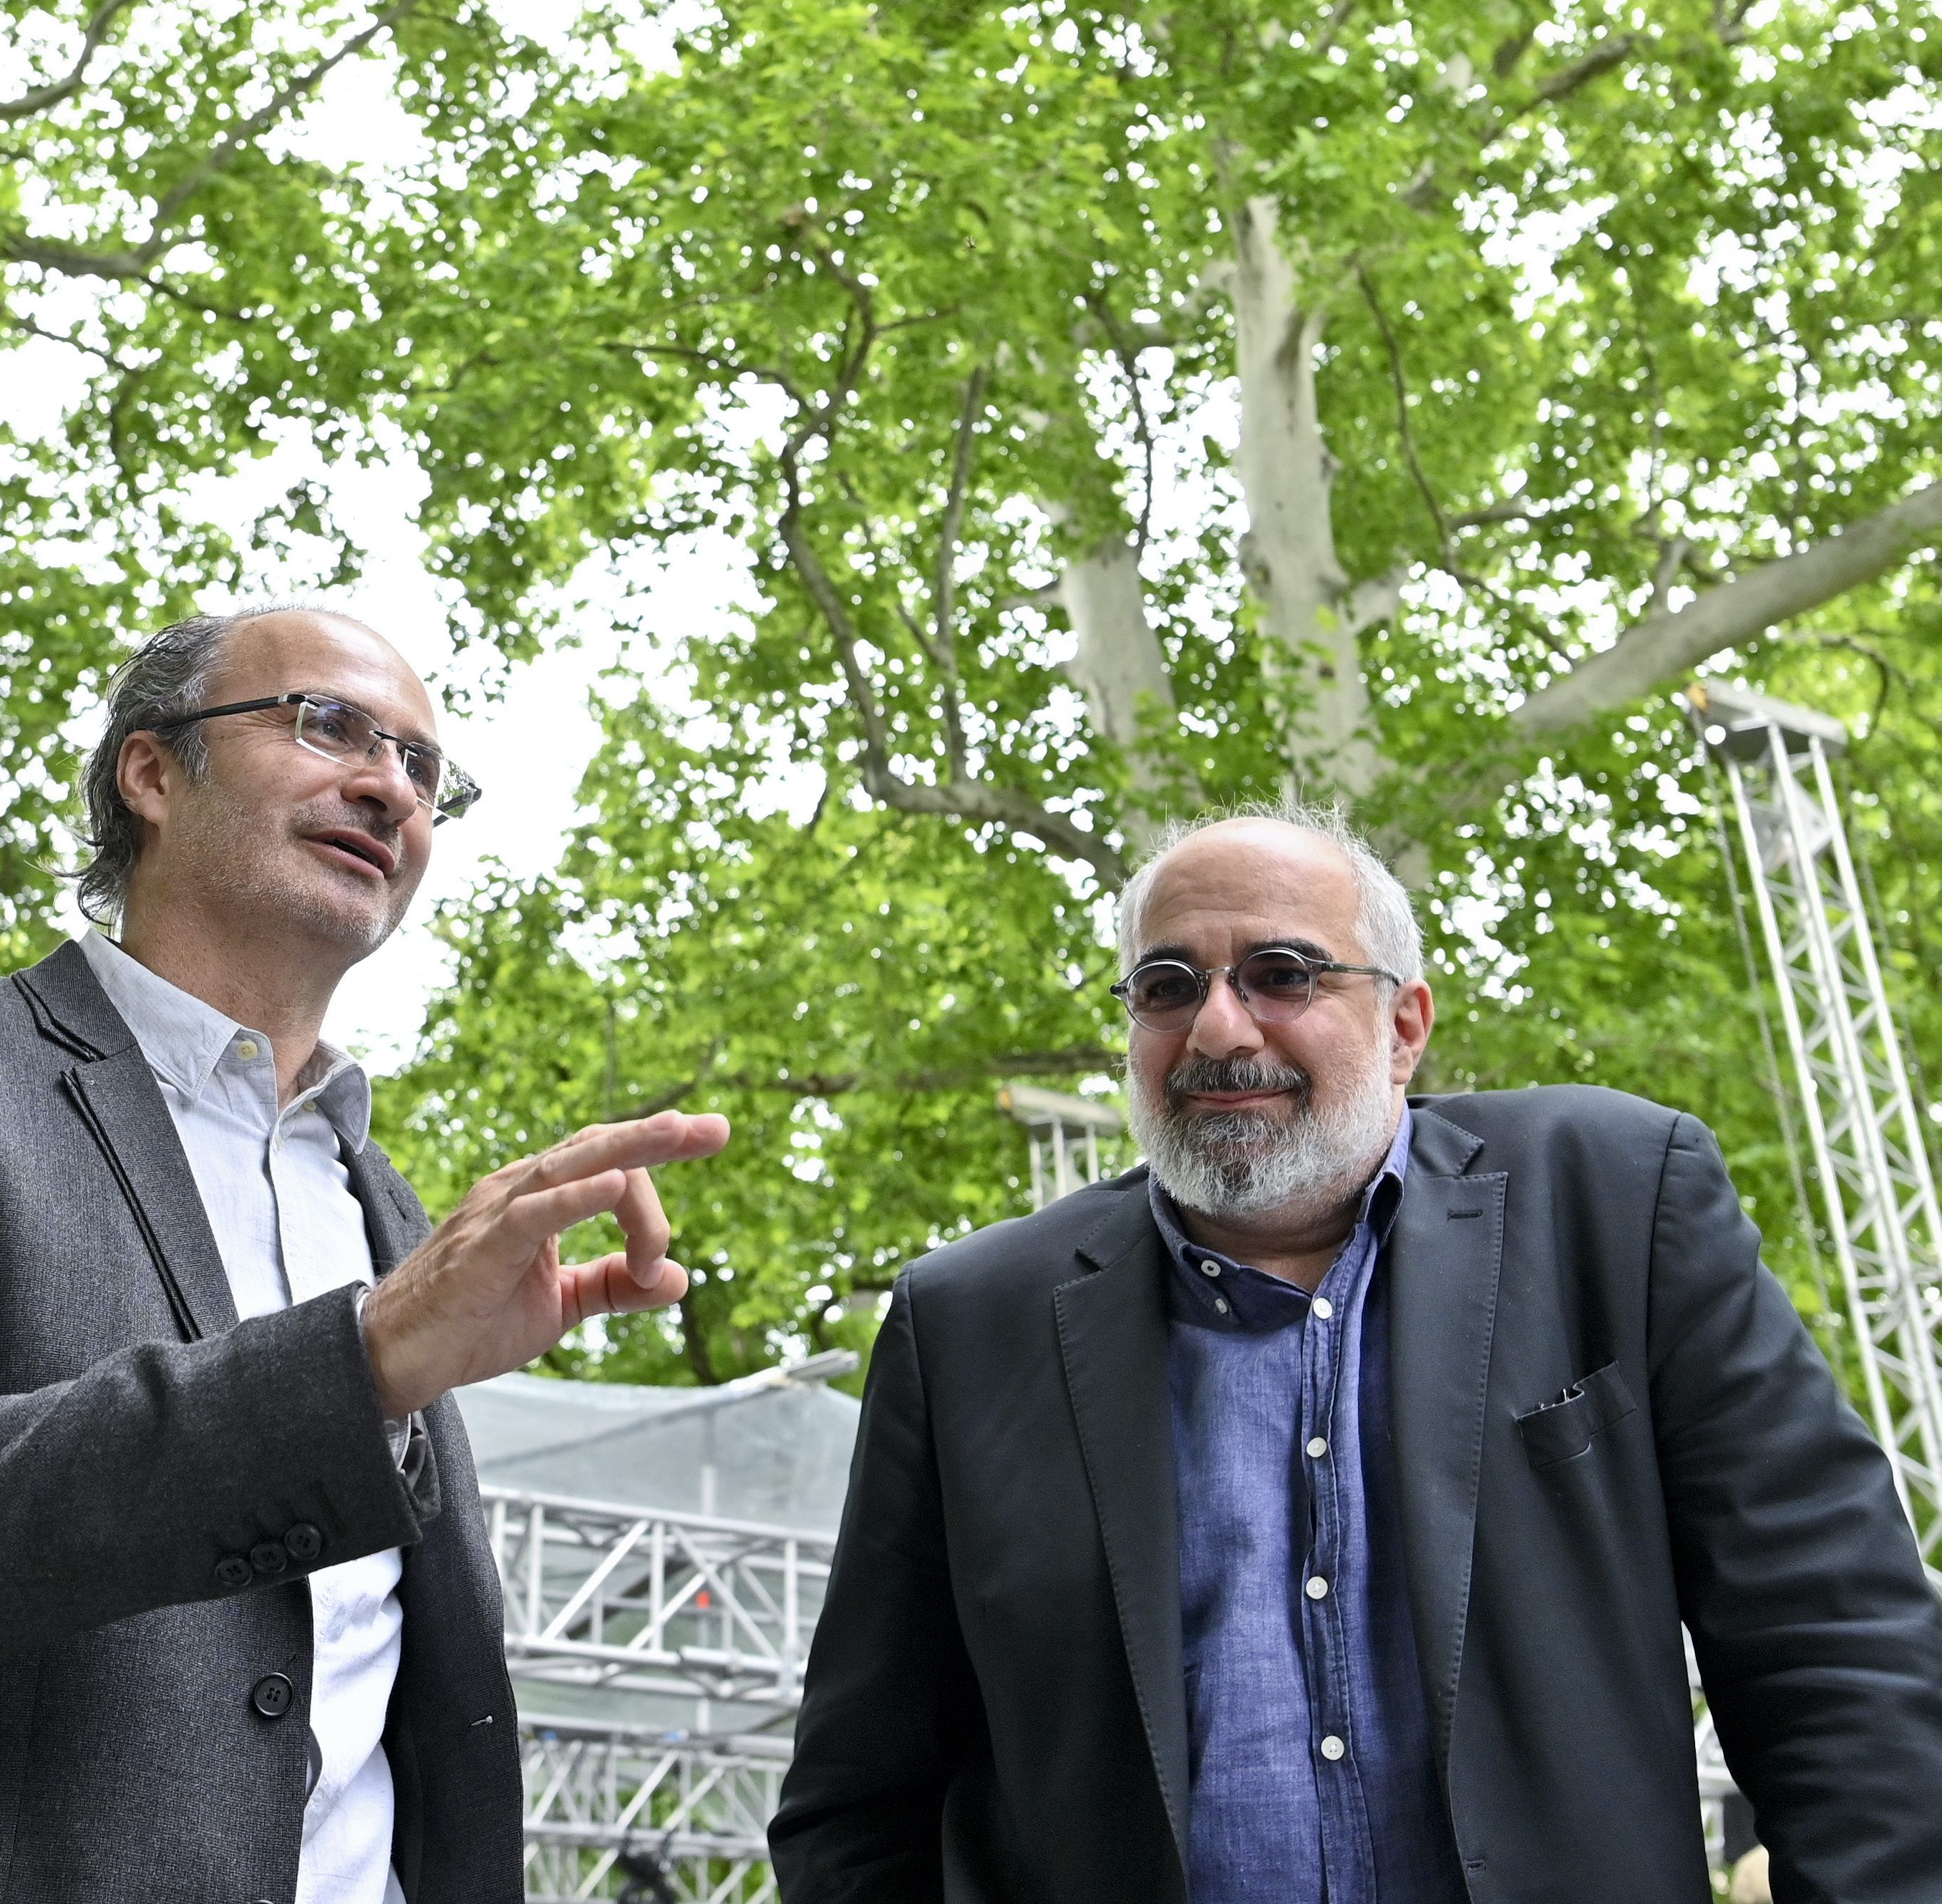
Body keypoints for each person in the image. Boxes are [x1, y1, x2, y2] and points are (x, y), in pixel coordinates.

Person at [0, 604, 728, 1904]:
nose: (390, 786)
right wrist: (354, 1367)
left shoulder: (392, 1213)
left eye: (423, 768)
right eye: (330, 725)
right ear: (152, 771)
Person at [772, 804, 1942, 1903]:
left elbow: (1840, 1657)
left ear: (1405, 1027)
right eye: (1168, 987)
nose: (1219, 1029)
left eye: (1282, 974)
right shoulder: (969, 1327)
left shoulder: (1617, 1204)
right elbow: (859, 1805)